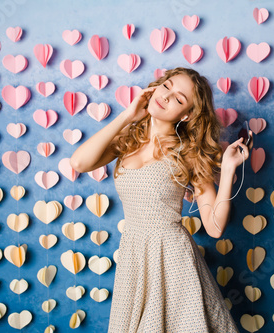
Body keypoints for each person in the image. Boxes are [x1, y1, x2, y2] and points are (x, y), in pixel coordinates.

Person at [70, 67, 249, 332]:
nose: (166, 97)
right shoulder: (127, 140)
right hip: (134, 257)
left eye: (178, 99)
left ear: (186, 115)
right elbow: (79, 162)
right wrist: (128, 115)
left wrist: (229, 168)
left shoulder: (188, 152)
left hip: (172, 259)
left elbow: (214, 226)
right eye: (167, 86)